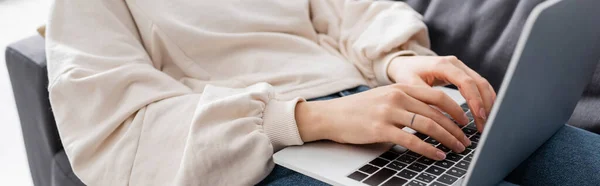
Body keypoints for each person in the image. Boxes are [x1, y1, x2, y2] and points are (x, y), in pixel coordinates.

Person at [46, 0, 600, 185]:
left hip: (381, 100)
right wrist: (308, 119)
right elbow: (118, 131)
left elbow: (351, 12)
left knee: (580, 160)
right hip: (267, 151)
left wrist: (400, 60)